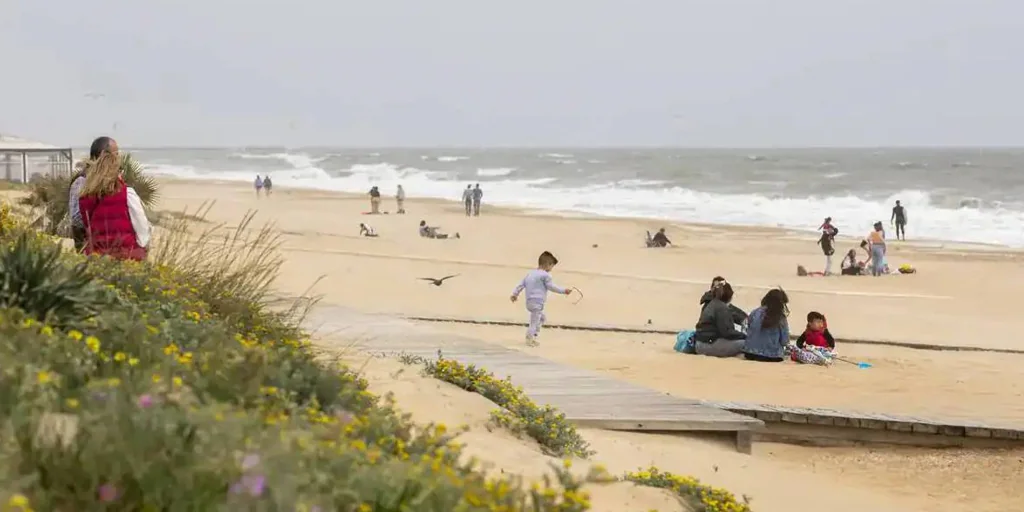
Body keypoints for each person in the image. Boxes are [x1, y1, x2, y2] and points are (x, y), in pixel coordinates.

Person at [78, 144, 151, 261]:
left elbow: (87, 225)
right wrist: (143, 247)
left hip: (96, 256)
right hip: (126, 255)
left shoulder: (85, 196)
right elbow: (141, 225)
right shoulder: (127, 193)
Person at [510, 251, 573, 346]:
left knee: (542, 318)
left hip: (529, 302)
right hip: (537, 302)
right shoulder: (545, 275)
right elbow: (551, 287)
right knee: (534, 322)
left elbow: (521, 284)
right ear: (548, 264)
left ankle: (534, 334)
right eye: (552, 266)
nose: (551, 269)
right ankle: (530, 338)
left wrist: (515, 294)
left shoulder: (530, 273)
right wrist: (564, 291)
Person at [69, 136, 115, 251]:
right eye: (116, 153)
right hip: (88, 248)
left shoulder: (110, 180)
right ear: (104, 154)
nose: (118, 158)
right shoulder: (82, 181)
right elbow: (76, 219)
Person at [693, 282, 746, 357]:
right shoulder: (721, 308)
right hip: (708, 345)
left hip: (700, 343)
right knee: (746, 344)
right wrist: (744, 336)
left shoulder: (712, 304)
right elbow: (727, 332)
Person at [741, 288, 791, 362]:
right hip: (772, 355)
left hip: (750, 353)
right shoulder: (780, 317)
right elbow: (785, 341)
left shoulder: (755, 312)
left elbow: (746, 328)